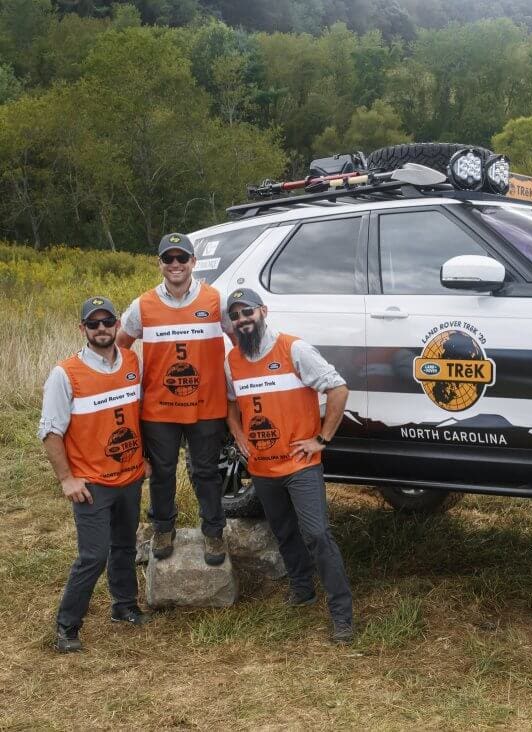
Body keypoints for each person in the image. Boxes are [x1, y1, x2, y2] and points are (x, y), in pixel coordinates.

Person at [223, 288, 355, 644]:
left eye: (247, 312)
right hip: (263, 469)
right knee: (283, 532)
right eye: (235, 316)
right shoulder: (232, 360)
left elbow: (338, 389)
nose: (242, 320)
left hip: (301, 465)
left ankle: (341, 614)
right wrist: (238, 436)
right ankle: (302, 590)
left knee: (316, 534)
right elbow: (231, 404)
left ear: (262, 311)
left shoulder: (294, 349)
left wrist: (322, 439)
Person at [40, 297, 151, 653]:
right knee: (93, 555)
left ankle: (124, 606)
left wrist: (145, 458)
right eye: (94, 323)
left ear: (118, 324)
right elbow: (50, 432)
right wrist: (67, 480)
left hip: (130, 477)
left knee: (124, 545)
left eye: (108, 321)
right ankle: (67, 626)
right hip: (92, 484)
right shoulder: (65, 374)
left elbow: (138, 415)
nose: (102, 328)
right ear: (83, 329)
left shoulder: (133, 361)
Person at [116, 233, 231, 565]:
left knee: (207, 472)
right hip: (159, 408)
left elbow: (240, 339)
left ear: (193, 263)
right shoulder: (143, 305)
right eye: (169, 259)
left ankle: (213, 534)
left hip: (206, 406)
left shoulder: (214, 300)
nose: (176, 264)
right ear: (161, 264)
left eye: (183, 258)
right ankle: (163, 528)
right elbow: (121, 345)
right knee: (163, 472)